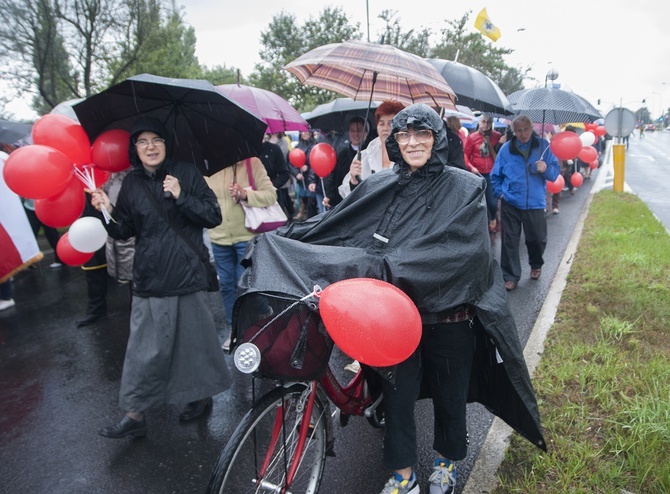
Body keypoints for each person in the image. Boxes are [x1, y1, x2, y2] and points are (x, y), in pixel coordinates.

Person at [240, 104, 546, 494]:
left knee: (450, 398)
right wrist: (284, 238)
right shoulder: (380, 183)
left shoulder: (466, 188)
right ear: (394, 141)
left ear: (436, 138)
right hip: (392, 320)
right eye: (404, 135)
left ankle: (445, 464)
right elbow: (337, 226)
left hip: (449, 317)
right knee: (397, 399)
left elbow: (462, 253)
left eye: (422, 134)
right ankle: (403, 475)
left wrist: (381, 267)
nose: (413, 142)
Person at [89, 117, 230, 438]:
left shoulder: (187, 173)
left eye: (156, 140)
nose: (150, 147)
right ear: (134, 149)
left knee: (193, 344)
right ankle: (135, 415)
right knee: (142, 349)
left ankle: (199, 396)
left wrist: (182, 194)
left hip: (186, 274)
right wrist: (106, 210)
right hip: (149, 277)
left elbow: (212, 215)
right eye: (142, 142)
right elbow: (124, 231)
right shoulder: (131, 184)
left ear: (166, 144)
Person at [204, 152, 277, 347]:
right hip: (218, 237)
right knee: (227, 286)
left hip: (246, 237)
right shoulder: (208, 167)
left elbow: (271, 195)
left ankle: (256, 329)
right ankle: (235, 330)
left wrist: (245, 194)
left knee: (247, 286)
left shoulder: (251, 163)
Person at [490, 114, 560, 291]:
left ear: (532, 129)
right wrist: (501, 195)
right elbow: (495, 176)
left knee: (537, 239)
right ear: (514, 132)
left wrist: (546, 169)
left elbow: (554, 173)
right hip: (511, 203)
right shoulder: (506, 150)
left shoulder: (543, 147)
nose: (523, 133)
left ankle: (536, 264)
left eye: (526, 129)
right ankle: (511, 276)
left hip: (535, 203)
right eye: (519, 130)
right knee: (509, 242)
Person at [338, 100, 405, 200]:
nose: (385, 128)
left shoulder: (408, 155)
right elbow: (349, 196)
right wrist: (353, 181)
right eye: (381, 124)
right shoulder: (365, 156)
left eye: (390, 123)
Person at [464, 113, 502, 233]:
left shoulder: (497, 136)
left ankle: (492, 217)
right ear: (479, 123)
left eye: (488, 122)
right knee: (479, 201)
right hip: (477, 173)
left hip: (492, 173)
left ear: (492, 124)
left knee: (492, 201)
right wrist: (470, 167)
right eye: (483, 122)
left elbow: (499, 155)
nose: (485, 125)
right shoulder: (472, 137)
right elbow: (465, 154)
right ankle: (482, 225)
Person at [322, 115, 366, 209]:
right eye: (352, 131)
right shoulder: (342, 154)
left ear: (365, 132)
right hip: (345, 203)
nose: (356, 134)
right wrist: (330, 197)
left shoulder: (370, 152)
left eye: (359, 130)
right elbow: (333, 179)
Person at [260, 134, 294, 220]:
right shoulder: (247, 150)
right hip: (252, 198)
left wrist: (272, 186)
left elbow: (284, 173)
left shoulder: (274, 149)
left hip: (273, 197)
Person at [22, 198, 63, 268]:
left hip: (45, 208)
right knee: (30, 236)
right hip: (29, 208)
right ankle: (30, 262)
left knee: (52, 234)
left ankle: (60, 259)